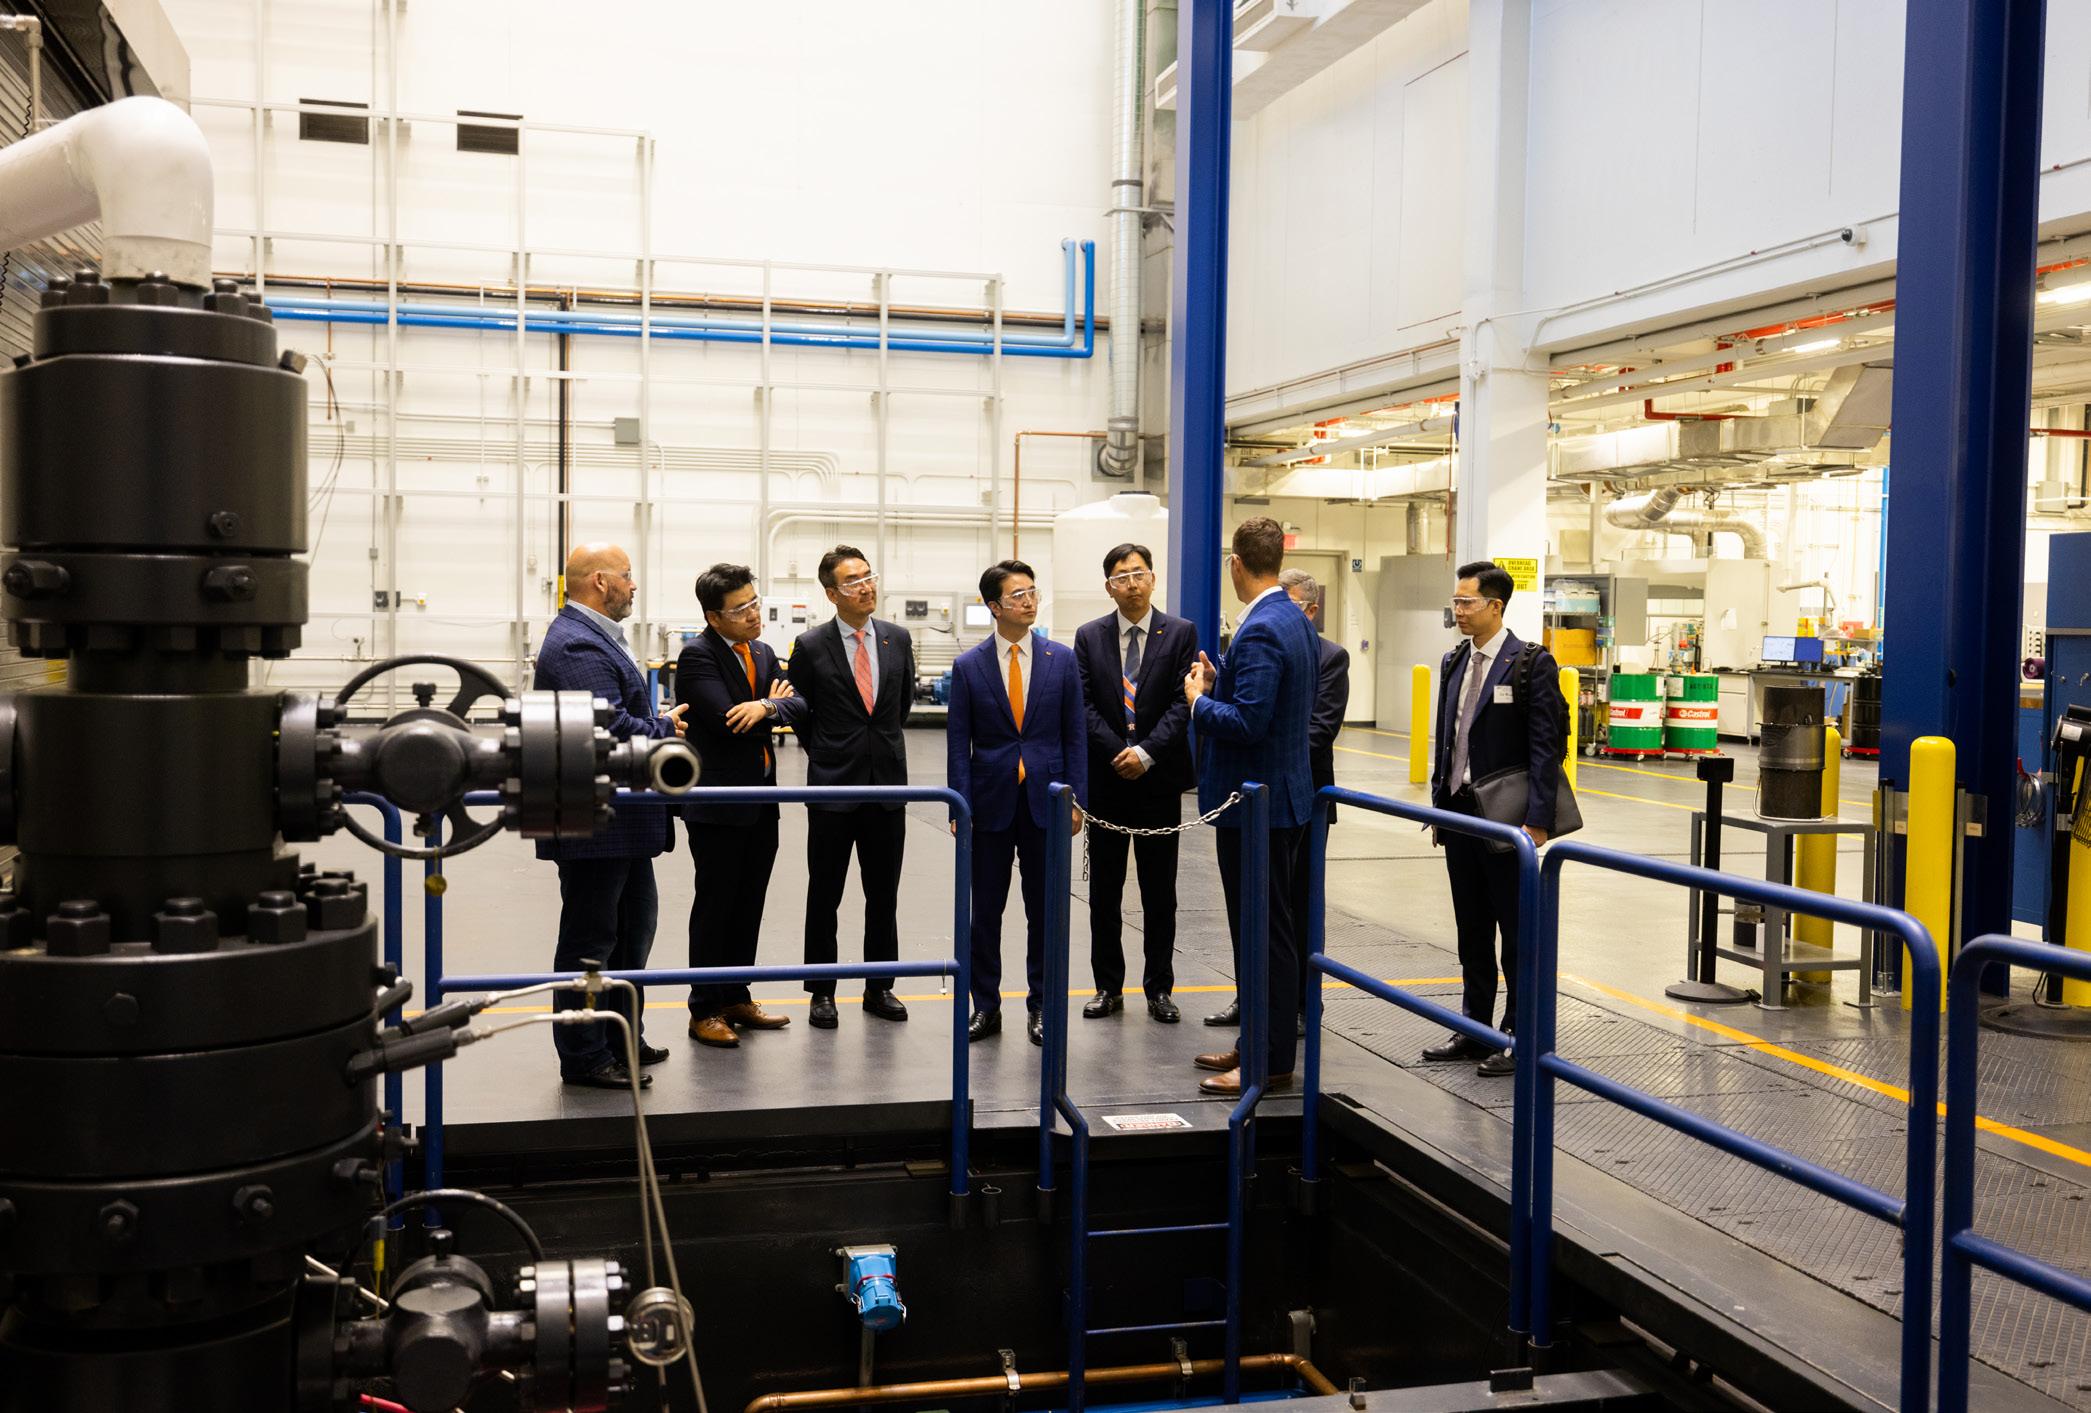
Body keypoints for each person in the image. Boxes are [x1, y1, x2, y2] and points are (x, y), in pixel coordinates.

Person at [534, 542, 689, 1090]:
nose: (633, 584)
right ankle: (584, 1056)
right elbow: (612, 729)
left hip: (621, 822)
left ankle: (621, 1037)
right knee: (591, 942)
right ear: (600, 581)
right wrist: (666, 727)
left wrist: (656, 721)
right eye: (627, 574)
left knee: (630, 935)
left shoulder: (594, 636)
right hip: (598, 822)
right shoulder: (577, 643)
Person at [1183, 518, 1317, 1095]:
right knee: (1264, 932)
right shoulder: (1292, 616)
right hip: (1279, 800)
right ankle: (1257, 1045)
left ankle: (1267, 1061)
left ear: (1236, 564)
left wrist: (1198, 701)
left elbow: (1248, 722)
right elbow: (1270, 704)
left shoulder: (1261, 627)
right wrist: (1224, 681)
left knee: (1265, 937)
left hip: (1255, 807)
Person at [1425, 560, 1565, 1078]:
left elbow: (1547, 746)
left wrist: (1538, 821)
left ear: (1495, 606)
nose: (1458, 610)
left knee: (1515, 930)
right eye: (1456, 601)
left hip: (1508, 821)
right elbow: (1448, 737)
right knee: (1472, 929)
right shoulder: (1454, 660)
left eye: (1466, 602)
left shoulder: (1530, 663)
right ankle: (1474, 1026)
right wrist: (1439, 806)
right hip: (1460, 814)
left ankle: (1517, 1035)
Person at [947, 559, 1088, 1045]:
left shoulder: (1060, 660)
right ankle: (985, 1006)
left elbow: (1075, 735)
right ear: (994, 606)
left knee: (1044, 911)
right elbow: (959, 744)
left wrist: (1075, 800)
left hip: (1046, 802)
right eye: (1017, 595)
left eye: (1032, 592)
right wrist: (959, 807)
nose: (1029, 601)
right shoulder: (969, 667)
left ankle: (1042, 1005)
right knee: (985, 912)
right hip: (989, 804)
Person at [786, 546, 916, 1029]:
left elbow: (900, 707)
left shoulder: (897, 639)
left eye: (868, 576)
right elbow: (801, 711)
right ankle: (822, 990)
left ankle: (879, 986)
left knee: (884, 894)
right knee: (825, 893)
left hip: (887, 787)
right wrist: (828, 751)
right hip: (832, 789)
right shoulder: (810, 645)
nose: (866, 587)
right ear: (831, 594)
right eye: (853, 581)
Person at [677, 563, 805, 1049]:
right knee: (716, 905)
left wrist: (766, 706)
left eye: (754, 602)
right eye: (741, 609)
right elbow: (727, 720)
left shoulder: (763, 652)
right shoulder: (697, 656)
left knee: (750, 902)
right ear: (714, 617)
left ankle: (735, 996)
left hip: (762, 801)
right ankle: (704, 1008)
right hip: (718, 804)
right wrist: (764, 707)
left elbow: (799, 705)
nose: (754, 614)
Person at [1074, 542, 1196, 1023]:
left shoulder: (1180, 632)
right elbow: (1083, 704)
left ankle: (1159, 988)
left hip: (1158, 781)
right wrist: (1117, 752)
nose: (1131, 584)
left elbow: (1183, 703)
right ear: (1109, 587)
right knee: (1104, 892)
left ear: (1152, 578)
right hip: (1107, 781)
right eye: (1121, 577)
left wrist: (1146, 753)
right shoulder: (1090, 636)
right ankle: (1108, 987)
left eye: (1138, 573)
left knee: (1159, 893)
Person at [1281, 567, 1351, 1033]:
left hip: (1307, 799)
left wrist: (1268, 755)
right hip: (1264, 798)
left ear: (1311, 609)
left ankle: (1305, 1006)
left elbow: (1320, 729)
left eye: (1286, 606)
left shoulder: (1331, 657)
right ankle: (1255, 999)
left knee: (1301, 903)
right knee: (1261, 903)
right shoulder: (1263, 647)